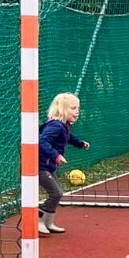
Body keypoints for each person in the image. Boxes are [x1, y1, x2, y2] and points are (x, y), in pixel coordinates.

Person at [38, 92, 90, 235]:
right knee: (56, 193)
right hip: (40, 166)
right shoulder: (55, 126)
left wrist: (80, 144)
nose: (77, 112)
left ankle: (48, 222)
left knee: (57, 194)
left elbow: (69, 137)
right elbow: (42, 141)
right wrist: (56, 156)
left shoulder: (64, 126)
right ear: (62, 110)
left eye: (78, 108)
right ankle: (38, 220)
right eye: (73, 108)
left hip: (48, 166)